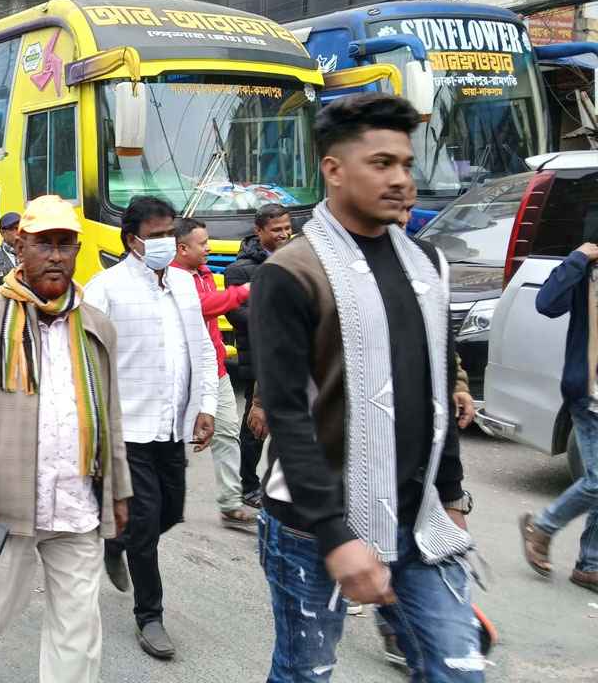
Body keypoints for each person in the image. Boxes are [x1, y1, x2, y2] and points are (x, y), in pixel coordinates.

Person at [250, 93, 479, 681]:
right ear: (333, 169)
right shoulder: (291, 272)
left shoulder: (427, 264)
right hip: (312, 524)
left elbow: (433, 389)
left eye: (406, 163)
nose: (401, 179)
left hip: (418, 515)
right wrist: (337, 537)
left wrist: (451, 497)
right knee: (307, 673)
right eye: (381, 163)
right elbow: (287, 415)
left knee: (458, 669)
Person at [0, 195, 132, 683]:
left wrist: (120, 491)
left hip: (77, 505)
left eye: (66, 245)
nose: (56, 255)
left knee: (79, 627)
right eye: (44, 243)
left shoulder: (96, 325)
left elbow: (110, 416)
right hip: (5, 506)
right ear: (20, 246)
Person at [83, 195, 218, 660]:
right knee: (145, 519)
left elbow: (200, 347)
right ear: (131, 239)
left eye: (169, 234)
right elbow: (88, 361)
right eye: (156, 236)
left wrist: (206, 404)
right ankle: (150, 615)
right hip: (128, 428)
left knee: (170, 512)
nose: (165, 243)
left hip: (172, 424)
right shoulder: (106, 288)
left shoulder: (183, 284)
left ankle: (116, 542)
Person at [520, 239, 598, 593]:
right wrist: (579, 257)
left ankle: (591, 564)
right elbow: (547, 303)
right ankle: (543, 527)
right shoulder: (588, 268)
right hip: (591, 392)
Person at [171, 218, 256, 530]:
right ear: (182, 248)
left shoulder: (202, 273)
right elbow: (202, 307)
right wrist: (242, 292)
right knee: (170, 438)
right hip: (183, 373)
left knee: (227, 430)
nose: (208, 248)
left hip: (215, 368)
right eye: (202, 243)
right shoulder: (172, 278)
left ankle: (231, 503)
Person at [224, 203, 292, 507]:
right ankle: (246, 485)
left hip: (290, 358)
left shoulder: (294, 260)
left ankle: (279, 484)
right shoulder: (239, 270)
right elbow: (237, 314)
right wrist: (279, 315)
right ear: (259, 231)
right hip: (257, 360)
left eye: (287, 228)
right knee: (254, 429)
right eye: (276, 229)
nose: (284, 234)